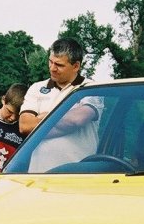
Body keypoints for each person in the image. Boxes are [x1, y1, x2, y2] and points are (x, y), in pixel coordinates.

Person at [20, 38, 102, 171]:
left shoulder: (90, 88)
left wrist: (44, 117)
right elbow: (25, 126)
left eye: (59, 65)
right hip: (38, 175)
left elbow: (77, 120)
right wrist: (65, 124)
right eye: (50, 62)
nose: (52, 68)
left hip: (79, 175)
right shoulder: (36, 88)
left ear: (76, 66)